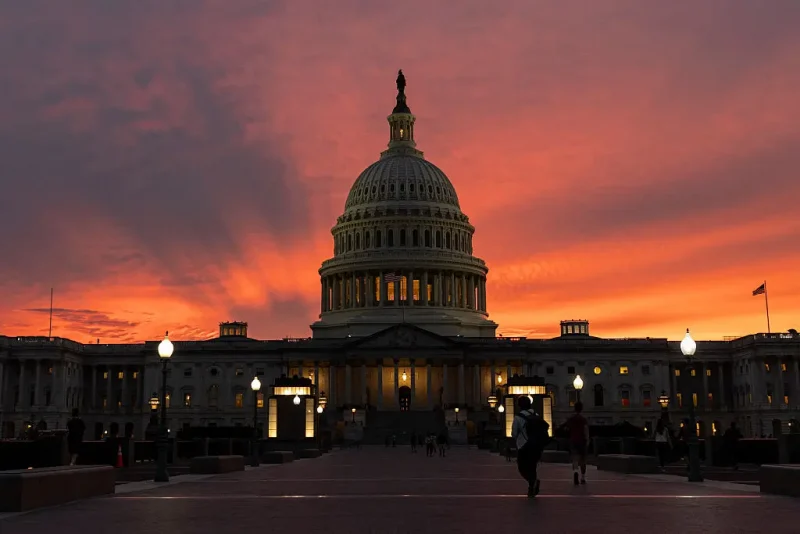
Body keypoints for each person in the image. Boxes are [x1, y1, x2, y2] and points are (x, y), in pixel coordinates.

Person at [511, 396, 550, 498]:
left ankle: (532, 482)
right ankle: (531, 487)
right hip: (537, 445)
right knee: (532, 467)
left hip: (524, 445)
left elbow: (514, 433)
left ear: (519, 405)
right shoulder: (536, 415)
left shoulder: (518, 417)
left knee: (522, 467)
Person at [565, 401, 589, 485]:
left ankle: (575, 472)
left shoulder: (571, 419)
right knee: (583, 460)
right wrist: (587, 439)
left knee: (575, 458)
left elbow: (567, 429)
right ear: (581, 409)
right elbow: (585, 429)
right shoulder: (583, 419)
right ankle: (582, 477)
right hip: (582, 440)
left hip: (573, 440)